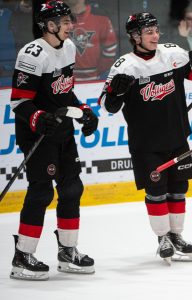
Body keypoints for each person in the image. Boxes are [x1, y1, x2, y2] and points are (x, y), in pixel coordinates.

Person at [98, 12, 192, 264]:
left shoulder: (172, 54)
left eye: (156, 30)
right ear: (135, 36)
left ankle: (176, 236)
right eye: (149, 32)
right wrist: (116, 93)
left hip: (177, 136)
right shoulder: (124, 66)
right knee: (156, 190)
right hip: (146, 144)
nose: (155, 36)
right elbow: (106, 106)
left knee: (179, 188)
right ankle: (162, 238)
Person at [9, 1, 98, 280]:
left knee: (72, 188)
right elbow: (19, 103)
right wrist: (38, 118)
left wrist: (82, 110)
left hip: (62, 129)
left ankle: (68, 251)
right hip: (36, 133)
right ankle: (22, 256)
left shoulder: (69, 48)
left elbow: (65, 93)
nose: (70, 25)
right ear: (49, 26)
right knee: (42, 191)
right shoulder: (32, 54)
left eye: (69, 20)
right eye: (64, 21)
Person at [62, 0, 117, 81]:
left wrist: (95, 71)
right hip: (63, 82)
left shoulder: (101, 17)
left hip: (93, 82)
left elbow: (110, 49)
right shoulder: (57, 17)